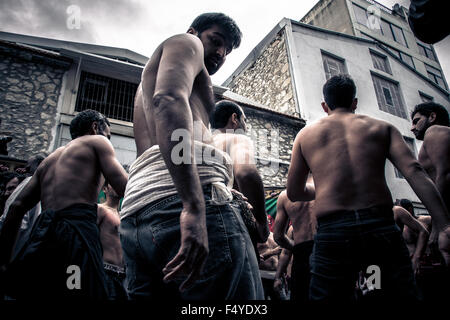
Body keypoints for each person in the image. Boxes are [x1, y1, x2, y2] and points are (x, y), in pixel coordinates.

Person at [120, 13, 263, 300]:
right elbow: (169, 99)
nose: (221, 53)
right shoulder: (186, 43)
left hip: (138, 218)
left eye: (228, 50)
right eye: (216, 40)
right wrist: (193, 205)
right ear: (194, 31)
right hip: (185, 204)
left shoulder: (148, 85)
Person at [286, 74, 450, 301]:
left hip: (335, 235)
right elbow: (414, 171)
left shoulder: (305, 135)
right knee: (381, 293)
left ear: (325, 106)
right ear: (354, 102)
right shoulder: (381, 128)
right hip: (379, 231)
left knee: (331, 296)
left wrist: (323, 189)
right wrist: (443, 224)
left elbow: (294, 192)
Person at [0, 109, 128, 299]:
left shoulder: (49, 161)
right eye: (108, 135)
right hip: (75, 233)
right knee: (78, 292)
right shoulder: (97, 142)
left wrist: (4, 261)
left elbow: (16, 207)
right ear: (95, 127)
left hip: (43, 235)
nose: (108, 140)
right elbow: (125, 186)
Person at [211, 100, 270, 259]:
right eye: (245, 121)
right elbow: (246, 174)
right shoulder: (235, 138)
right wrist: (262, 224)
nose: (246, 127)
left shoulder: (200, 143)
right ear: (234, 118)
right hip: (229, 226)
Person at [273, 181, 316, 302]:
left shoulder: (285, 195)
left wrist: (299, 248)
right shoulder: (328, 188)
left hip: (301, 253)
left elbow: (278, 237)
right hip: (328, 250)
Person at [0, 155, 45, 261]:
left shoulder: (28, 183)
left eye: (28, 168)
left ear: (39, 167)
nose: (25, 170)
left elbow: (16, 223)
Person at [97, 181, 127, 300]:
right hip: (106, 272)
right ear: (104, 189)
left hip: (124, 276)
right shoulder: (100, 209)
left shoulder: (122, 215)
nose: (118, 185)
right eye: (113, 183)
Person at [393, 201, 429, 275]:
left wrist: (416, 258)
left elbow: (425, 232)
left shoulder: (424, 220)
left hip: (418, 261)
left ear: (409, 210)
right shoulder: (400, 226)